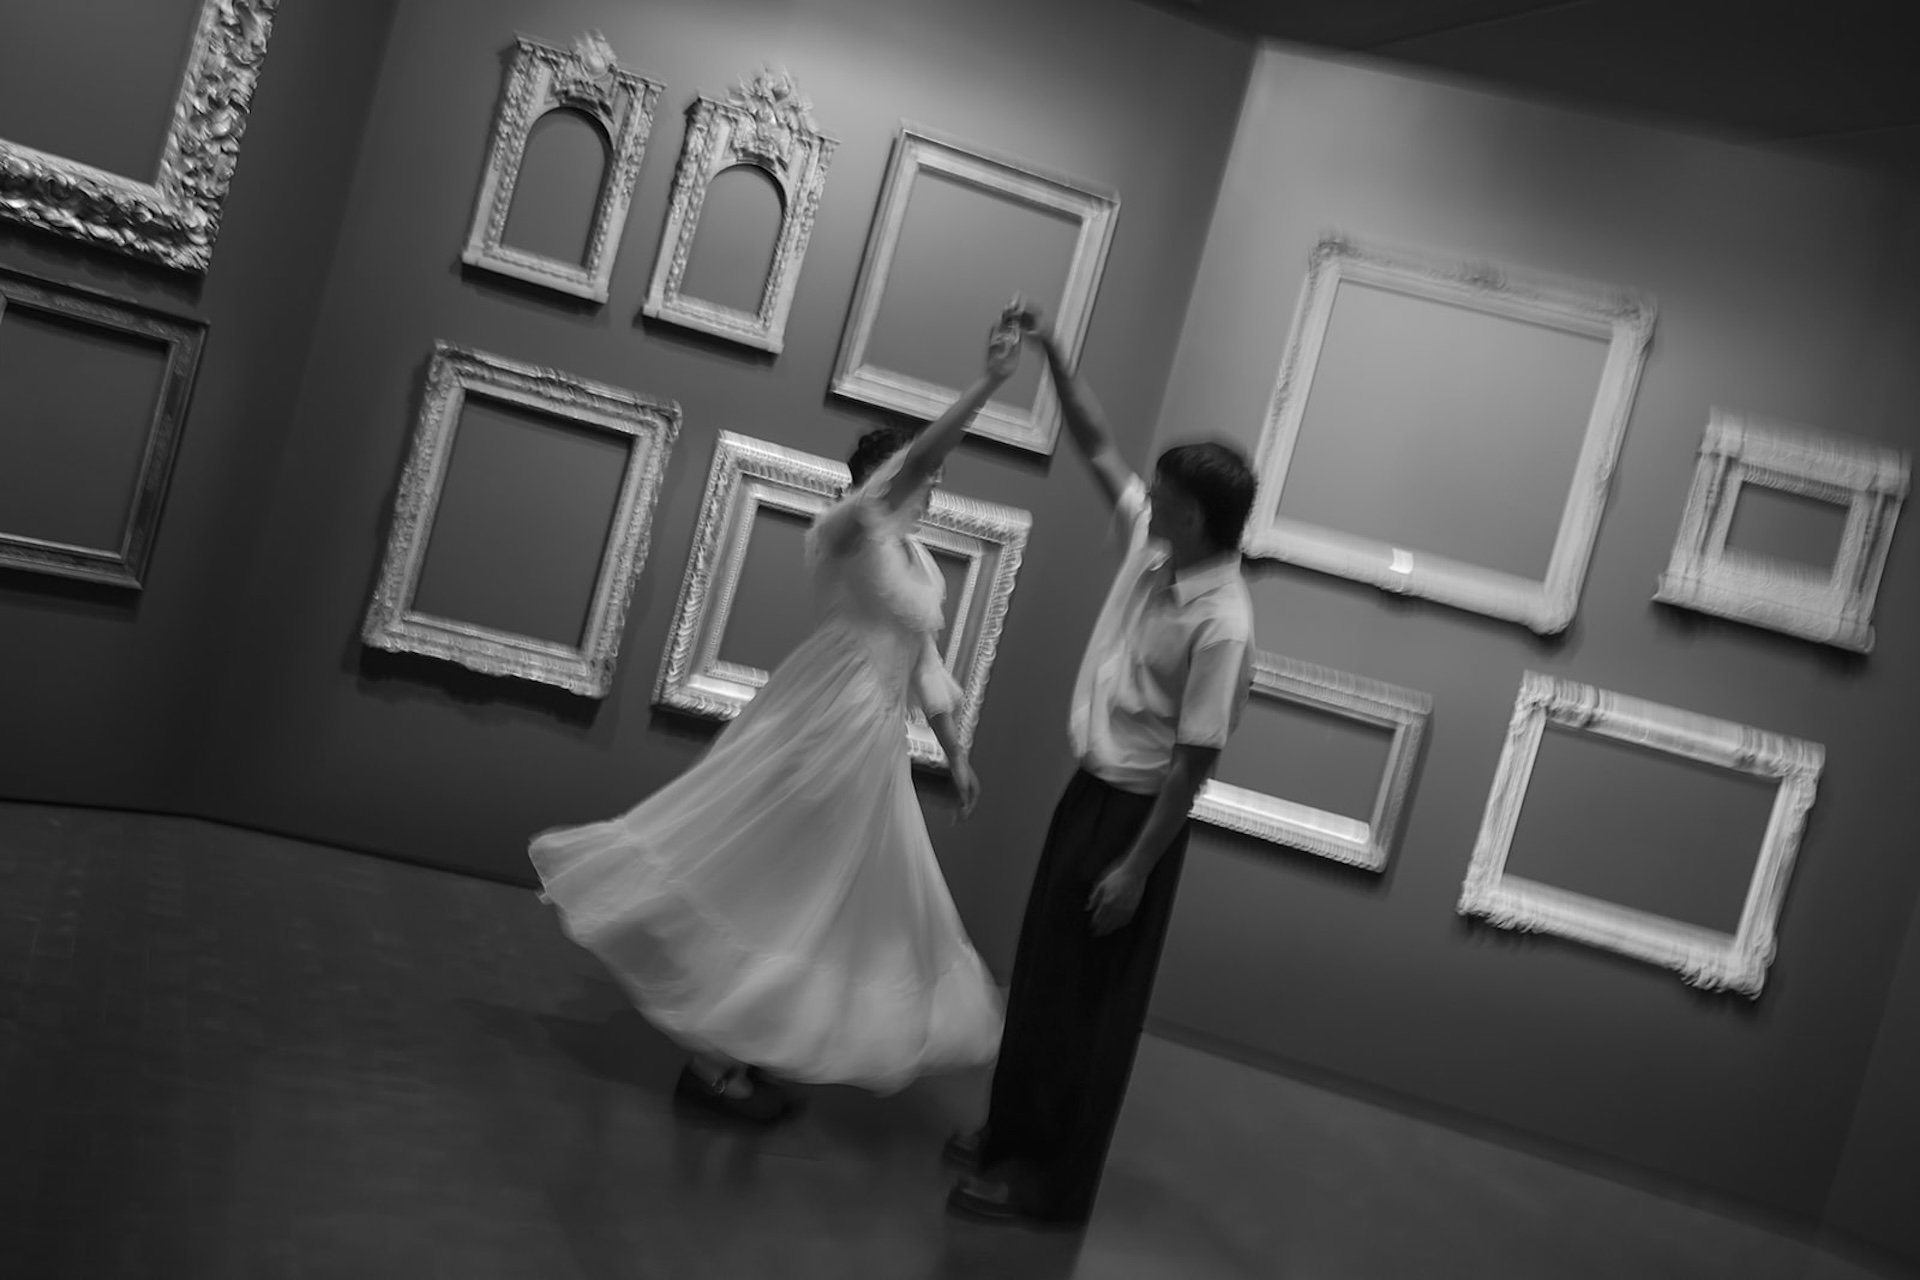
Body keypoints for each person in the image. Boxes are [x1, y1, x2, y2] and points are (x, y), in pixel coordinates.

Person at [529, 312, 1027, 1124]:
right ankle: (713, 1059)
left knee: (824, 902)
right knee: (785, 888)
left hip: (872, 752)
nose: (926, 486)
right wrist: (994, 382)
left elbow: (925, 662)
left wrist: (955, 752)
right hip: (820, 737)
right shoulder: (843, 531)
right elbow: (919, 466)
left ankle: (741, 1047)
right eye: (909, 477)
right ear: (873, 481)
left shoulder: (918, 559)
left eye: (922, 480)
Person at [943, 301, 1257, 1227]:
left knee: (1088, 1014)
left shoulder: (1222, 620)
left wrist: (1133, 868)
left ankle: (1046, 1184)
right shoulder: (1158, 554)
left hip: (1135, 823)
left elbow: (1194, 766)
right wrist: (1054, 351)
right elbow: (1095, 441)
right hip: (1092, 797)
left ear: (1195, 516)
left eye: (1161, 496)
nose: (1143, 498)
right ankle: (1008, 1135)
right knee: (1041, 980)